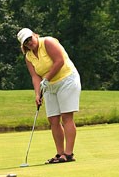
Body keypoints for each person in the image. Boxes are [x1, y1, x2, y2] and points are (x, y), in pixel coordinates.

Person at [17, 28, 81, 163]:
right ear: (23, 45)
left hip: (67, 80)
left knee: (67, 117)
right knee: (53, 119)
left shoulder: (48, 42)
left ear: (35, 35)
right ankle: (60, 153)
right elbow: (35, 76)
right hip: (49, 86)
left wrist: (46, 79)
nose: (29, 43)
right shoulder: (28, 57)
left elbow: (59, 61)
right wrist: (37, 94)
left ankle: (68, 154)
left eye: (30, 39)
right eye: (25, 42)